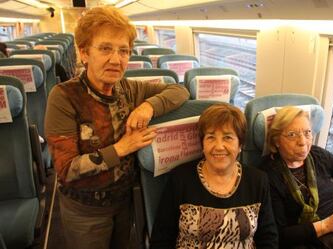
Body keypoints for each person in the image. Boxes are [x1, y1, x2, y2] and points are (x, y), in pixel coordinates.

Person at [44, 6, 189, 249]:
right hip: (85, 212)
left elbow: (179, 90)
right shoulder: (64, 96)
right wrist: (121, 148)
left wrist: (148, 107)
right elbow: (67, 169)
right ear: (84, 53)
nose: (116, 59)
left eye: (124, 51)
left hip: (125, 202)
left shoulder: (130, 89)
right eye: (105, 48)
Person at [150, 103, 279, 249]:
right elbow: (161, 240)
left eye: (228, 137)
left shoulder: (258, 180)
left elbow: (268, 238)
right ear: (202, 145)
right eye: (211, 137)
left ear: (240, 145)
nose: (219, 146)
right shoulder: (180, 179)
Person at [260, 106, 333, 249]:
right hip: (302, 242)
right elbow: (279, 235)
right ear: (276, 141)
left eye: (307, 133)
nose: (303, 142)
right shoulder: (266, 174)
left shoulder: (319, 156)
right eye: (292, 134)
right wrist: (326, 225)